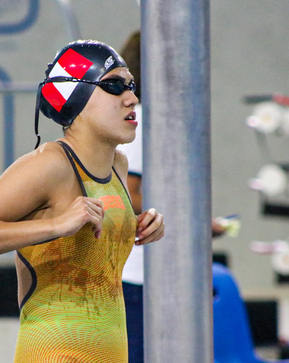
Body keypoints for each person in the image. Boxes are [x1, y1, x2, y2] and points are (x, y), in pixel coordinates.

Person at [0, 39, 165, 363]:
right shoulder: (50, 165)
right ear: (76, 97)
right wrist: (56, 226)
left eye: (131, 85)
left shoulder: (118, 165)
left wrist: (140, 224)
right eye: (114, 86)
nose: (131, 98)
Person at [117, 30, 227, 363]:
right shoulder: (139, 124)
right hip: (138, 276)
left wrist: (189, 222)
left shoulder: (159, 122)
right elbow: (128, 194)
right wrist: (181, 222)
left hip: (155, 273)